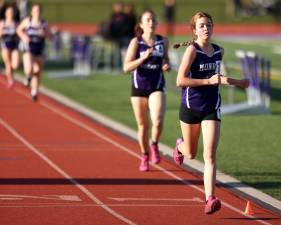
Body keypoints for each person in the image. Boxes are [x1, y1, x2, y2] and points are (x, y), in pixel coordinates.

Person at [172, 11, 249, 214]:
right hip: (190, 107)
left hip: (211, 108)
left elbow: (218, 77)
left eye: (209, 25)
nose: (206, 28)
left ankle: (210, 198)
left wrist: (237, 82)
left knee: (210, 155)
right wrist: (207, 81)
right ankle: (179, 147)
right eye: (202, 25)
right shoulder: (192, 51)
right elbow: (180, 81)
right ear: (195, 30)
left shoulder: (218, 51)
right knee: (190, 153)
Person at [123, 10, 170, 171]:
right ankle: (144, 155)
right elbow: (126, 67)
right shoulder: (136, 43)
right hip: (139, 87)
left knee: (157, 118)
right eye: (148, 20)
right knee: (143, 125)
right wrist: (143, 58)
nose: (151, 22)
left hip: (156, 86)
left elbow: (166, 60)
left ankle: (155, 144)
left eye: (153, 19)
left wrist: (166, 65)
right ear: (141, 24)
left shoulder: (163, 41)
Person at [16, 3, 52, 101]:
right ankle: (27, 77)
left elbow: (51, 37)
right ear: (32, 12)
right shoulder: (28, 21)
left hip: (40, 49)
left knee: (37, 71)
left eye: (39, 11)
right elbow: (18, 30)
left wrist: (45, 34)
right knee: (29, 69)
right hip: (29, 49)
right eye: (35, 10)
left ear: (41, 12)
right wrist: (24, 36)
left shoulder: (44, 23)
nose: (37, 13)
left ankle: (34, 91)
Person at [0, 4, 20, 88]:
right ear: (5, 13)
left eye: (11, 12)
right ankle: (10, 79)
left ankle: (11, 73)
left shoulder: (17, 23)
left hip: (15, 46)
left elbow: (20, 34)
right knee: (8, 64)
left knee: (15, 65)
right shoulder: (2, 23)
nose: (10, 14)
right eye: (8, 12)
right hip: (5, 45)